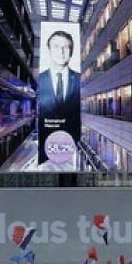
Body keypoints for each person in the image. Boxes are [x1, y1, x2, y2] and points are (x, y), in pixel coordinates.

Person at [36, 29, 82, 166]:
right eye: (56, 47)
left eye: (66, 47)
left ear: (71, 51)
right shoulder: (39, 79)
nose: (61, 51)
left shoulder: (80, 79)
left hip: (73, 151)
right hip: (46, 150)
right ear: (49, 50)